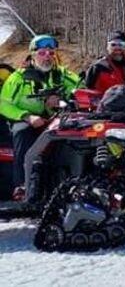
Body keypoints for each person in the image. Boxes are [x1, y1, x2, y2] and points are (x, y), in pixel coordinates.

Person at [0, 35, 80, 199]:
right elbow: (3, 104)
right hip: (27, 121)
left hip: (57, 120)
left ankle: (72, 183)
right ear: (33, 55)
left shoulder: (64, 75)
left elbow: (81, 90)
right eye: (42, 53)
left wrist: (63, 101)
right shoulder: (18, 78)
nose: (47, 57)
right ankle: (22, 185)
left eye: (51, 53)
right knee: (22, 132)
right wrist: (27, 116)